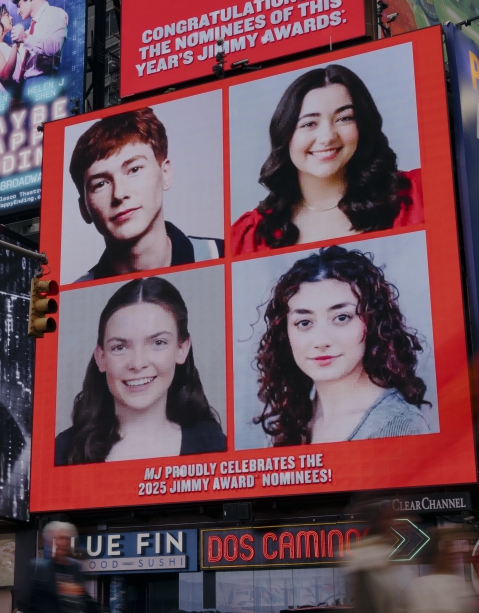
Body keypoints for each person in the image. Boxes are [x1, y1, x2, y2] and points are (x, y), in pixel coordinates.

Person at [231, 63, 423, 254]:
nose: (328, 137)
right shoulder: (248, 236)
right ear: (285, 134)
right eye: (309, 123)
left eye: (344, 118)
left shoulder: (419, 193)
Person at [253, 246, 431, 446]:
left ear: (372, 323)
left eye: (341, 318)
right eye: (304, 323)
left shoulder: (399, 426)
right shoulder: (295, 421)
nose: (321, 341)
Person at [56, 276, 225, 464]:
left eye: (158, 343)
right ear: (101, 357)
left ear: (181, 349)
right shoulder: (63, 449)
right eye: (119, 347)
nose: (137, 364)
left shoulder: (211, 444)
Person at [68, 108, 223, 282]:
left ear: (165, 173)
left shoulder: (222, 254)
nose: (119, 194)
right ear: (84, 209)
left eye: (134, 170)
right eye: (101, 184)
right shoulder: (78, 297)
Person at [10, 0, 68, 79]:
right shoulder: (30, 30)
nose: (18, 12)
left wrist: (25, 38)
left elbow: (55, 47)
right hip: (26, 86)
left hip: (45, 82)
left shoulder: (55, 13)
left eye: (19, 5)